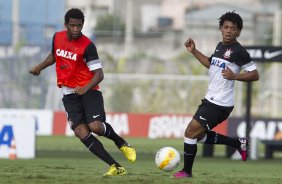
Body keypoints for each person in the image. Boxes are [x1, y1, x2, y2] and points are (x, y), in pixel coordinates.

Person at [29, 8, 136, 176]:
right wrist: (39, 67)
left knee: (96, 127)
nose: (76, 29)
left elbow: (99, 74)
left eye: (79, 26)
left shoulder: (87, 46)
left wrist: (84, 88)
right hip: (68, 93)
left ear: (82, 25)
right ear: (66, 25)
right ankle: (116, 167)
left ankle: (121, 142)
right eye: (72, 26)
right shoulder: (57, 37)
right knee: (80, 131)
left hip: (89, 89)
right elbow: (54, 55)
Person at [172, 11, 259, 178]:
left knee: (190, 132)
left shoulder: (239, 51)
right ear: (221, 28)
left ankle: (186, 172)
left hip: (221, 103)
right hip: (210, 99)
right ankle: (236, 143)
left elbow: (255, 74)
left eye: (233, 28)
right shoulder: (220, 46)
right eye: (225, 27)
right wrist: (194, 51)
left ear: (238, 32)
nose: (228, 31)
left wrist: (235, 76)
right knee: (197, 136)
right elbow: (212, 65)